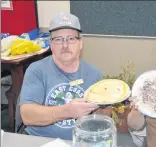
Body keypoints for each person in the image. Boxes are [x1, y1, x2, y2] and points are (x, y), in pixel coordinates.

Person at [19, 12, 110, 140]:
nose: (65, 45)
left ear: (81, 43)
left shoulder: (94, 74)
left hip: (80, 142)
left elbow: (102, 118)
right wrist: (68, 111)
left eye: (71, 39)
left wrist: (105, 107)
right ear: (50, 44)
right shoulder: (37, 70)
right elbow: (27, 116)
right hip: (40, 141)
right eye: (58, 39)